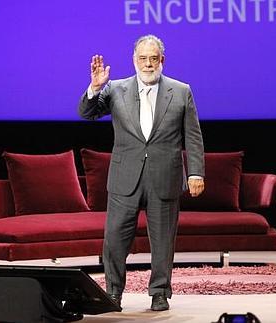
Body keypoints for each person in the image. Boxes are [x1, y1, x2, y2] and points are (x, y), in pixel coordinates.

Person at [78, 34, 205, 311]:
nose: (148, 64)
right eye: (143, 58)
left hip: (165, 176)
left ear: (162, 60)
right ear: (134, 60)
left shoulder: (181, 90)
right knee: (114, 238)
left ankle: (159, 292)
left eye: (153, 58)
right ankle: (113, 291)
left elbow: (192, 136)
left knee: (162, 242)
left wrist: (196, 172)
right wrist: (94, 88)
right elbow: (87, 113)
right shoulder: (115, 89)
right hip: (125, 178)